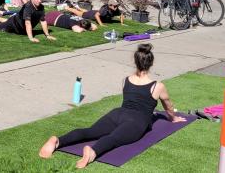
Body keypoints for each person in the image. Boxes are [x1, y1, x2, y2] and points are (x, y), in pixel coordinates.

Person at [38, 44, 187, 169]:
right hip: (136, 121)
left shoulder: (126, 80)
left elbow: (133, 98)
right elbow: (168, 106)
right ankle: (92, 152)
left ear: (135, 62)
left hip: (117, 114)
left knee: (90, 131)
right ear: (151, 63)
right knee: (114, 138)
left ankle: (58, 141)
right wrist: (173, 118)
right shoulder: (158, 86)